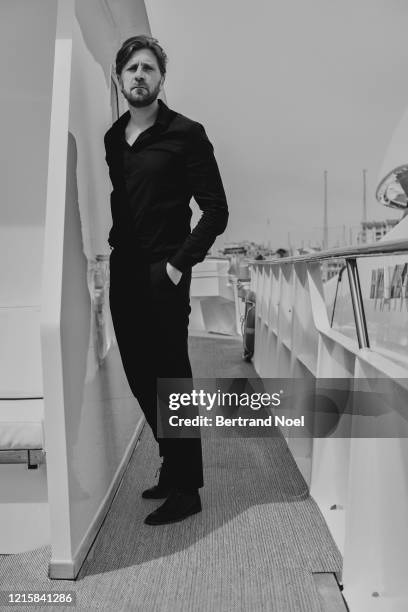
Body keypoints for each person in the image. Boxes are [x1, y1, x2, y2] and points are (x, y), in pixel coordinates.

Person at [105, 36, 228, 526]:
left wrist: (178, 265)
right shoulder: (114, 138)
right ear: (119, 78)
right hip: (124, 271)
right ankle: (173, 463)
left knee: (171, 379)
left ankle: (187, 487)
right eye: (131, 68)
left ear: (160, 79)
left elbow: (215, 210)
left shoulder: (186, 133)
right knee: (138, 376)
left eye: (148, 68)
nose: (139, 75)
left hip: (165, 272)